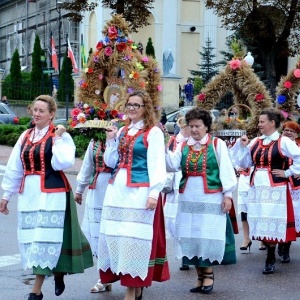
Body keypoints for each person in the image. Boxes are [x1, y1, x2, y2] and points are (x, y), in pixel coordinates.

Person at [0, 95, 93, 300]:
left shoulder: (59, 136)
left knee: (44, 240)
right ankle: (58, 273)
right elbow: (15, 167)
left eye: (42, 111)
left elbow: (63, 162)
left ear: (52, 114)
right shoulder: (25, 135)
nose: (36, 114)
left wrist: (58, 137)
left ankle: (36, 291)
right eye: (35, 110)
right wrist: (6, 195)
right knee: (34, 241)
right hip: (29, 195)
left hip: (52, 194)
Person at [98, 90, 170, 300]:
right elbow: (111, 163)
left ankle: (132, 291)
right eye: (129, 104)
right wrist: (111, 141)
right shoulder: (122, 131)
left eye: (136, 105)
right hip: (117, 190)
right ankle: (135, 291)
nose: (131, 108)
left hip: (139, 192)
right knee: (120, 239)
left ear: (145, 108)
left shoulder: (153, 132)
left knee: (134, 240)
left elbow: (157, 165)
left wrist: (154, 194)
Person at [166, 107, 237, 294]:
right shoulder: (182, 145)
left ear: (206, 127)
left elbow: (226, 170)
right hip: (188, 195)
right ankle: (199, 275)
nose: (194, 130)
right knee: (191, 235)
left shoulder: (216, 144)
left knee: (206, 235)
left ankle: (208, 274)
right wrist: (161, 148)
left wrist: (228, 195)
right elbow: (171, 164)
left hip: (211, 196)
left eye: (198, 126)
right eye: (191, 126)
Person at [230, 108, 300, 274]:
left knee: (273, 220)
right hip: (257, 187)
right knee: (262, 220)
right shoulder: (255, 141)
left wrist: (288, 172)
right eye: (259, 121)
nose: (259, 124)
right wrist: (242, 147)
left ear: (272, 123)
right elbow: (245, 162)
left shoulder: (283, 141)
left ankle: (270, 256)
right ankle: (270, 253)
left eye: (262, 121)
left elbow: (298, 156)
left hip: (276, 188)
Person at [74, 137, 113, 293]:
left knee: (115, 233)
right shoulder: (94, 142)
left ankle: (126, 276)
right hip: (97, 189)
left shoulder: (123, 137)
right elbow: (87, 166)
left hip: (117, 187)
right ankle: (103, 277)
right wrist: (79, 189)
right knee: (98, 235)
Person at [163, 116, 190, 270]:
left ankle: (185, 255)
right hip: (171, 185)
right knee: (173, 222)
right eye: (186, 126)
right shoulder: (173, 141)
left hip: (185, 183)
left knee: (185, 220)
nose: (188, 129)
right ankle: (181, 252)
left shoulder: (194, 142)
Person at [278, 120, 300, 263]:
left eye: (291, 131)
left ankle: (286, 248)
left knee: (293, 217)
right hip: (281, 185)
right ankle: (280, 242)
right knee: (282, 215)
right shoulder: (278, 146)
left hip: (296, 187)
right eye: (286, 130)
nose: (288, 133)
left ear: (296, 133)